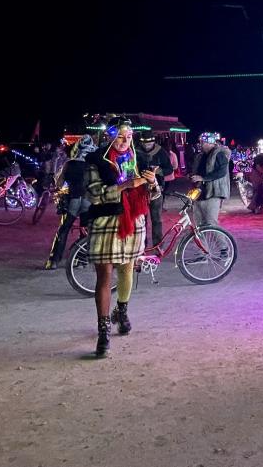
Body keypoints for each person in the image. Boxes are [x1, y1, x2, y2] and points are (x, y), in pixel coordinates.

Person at [83, 118, 159, 356]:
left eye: (128, 137)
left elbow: (153, 196)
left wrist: (152, 183)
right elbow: (95, 195)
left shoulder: (137, 158)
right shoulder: (96, 160)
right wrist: (126, 184)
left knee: (127, 270)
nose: (125, 141)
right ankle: (103, 331)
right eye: (120, 137)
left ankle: (122, 311)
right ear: (110, 137)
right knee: (104, 276)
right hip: (106, 221)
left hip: (133, 222)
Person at [44, 135, 97, 269]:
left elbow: (60, 183)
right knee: (85, 230)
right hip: (88, 200)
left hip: (73, 198)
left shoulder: (69, 163)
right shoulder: (94, 164)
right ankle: (82, 259)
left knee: (64, 229)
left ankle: (54, 260)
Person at [135, 131, 174, 246]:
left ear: (153, 142)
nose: (147, 146)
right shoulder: (136, 151)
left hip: (156, 189)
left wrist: (158, 171)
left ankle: (158, 245)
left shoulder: (161, 152)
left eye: (149, 143)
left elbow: (170, 169)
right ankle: (142, 245)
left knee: (156, 218)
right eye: (144, 144)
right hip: (140, 189)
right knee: (141, 218)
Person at [190, 132, 230, 227]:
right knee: (199, 224)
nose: (201, 145)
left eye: (203, 142)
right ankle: (203, 242)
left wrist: (203, 178)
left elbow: (222, 172)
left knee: (211, 223)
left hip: (213, 193)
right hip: (200, 193)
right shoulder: (201, 156)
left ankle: (223, 242)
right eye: (200, 142)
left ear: (211, 143)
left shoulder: (219, 154)